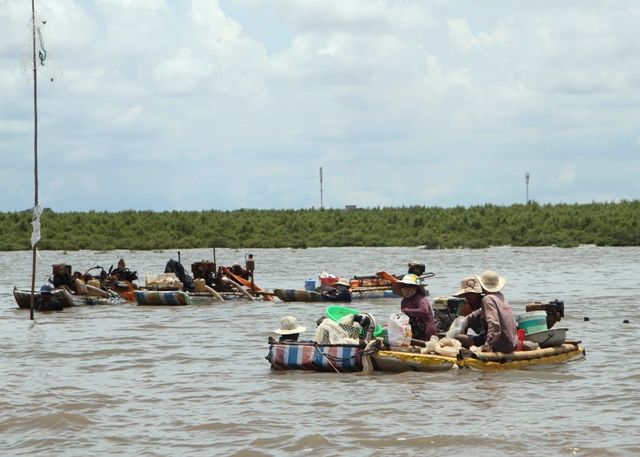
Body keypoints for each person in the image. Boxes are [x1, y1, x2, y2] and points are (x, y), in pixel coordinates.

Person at [451, 271, 517, 353]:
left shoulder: (487, 299)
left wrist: (488, 345)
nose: (468, 297)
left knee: (458, 338)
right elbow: (481, 311)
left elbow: (495, 325)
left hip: (499, 344)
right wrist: (465, 320)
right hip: (512, 343)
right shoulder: (499, 296)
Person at [392, 273, 437, 342]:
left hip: (426, 330)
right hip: (413, 330)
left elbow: (424, 310)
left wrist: (408, 310)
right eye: (403, 287)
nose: (405, 289)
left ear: (414, 288)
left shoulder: (420, 298)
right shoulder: (404, 301)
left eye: (408, 287)